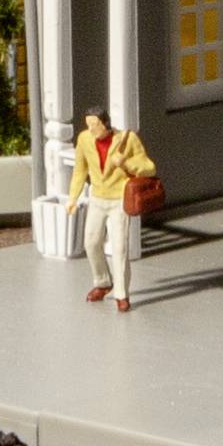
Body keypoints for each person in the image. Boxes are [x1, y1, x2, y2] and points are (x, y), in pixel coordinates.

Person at [73, 106, 157, 312]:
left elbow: (149, 167)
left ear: (105, 123)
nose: (91, 129)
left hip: (118, 200)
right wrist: (72, 198)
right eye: (88, 125)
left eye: (95, 125)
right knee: (91, 242)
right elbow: (79, 171)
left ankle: (122, 294)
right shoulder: (84, 140)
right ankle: (102, 282)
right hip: (97, 198)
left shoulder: (127, 139)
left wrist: (126, 163)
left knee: (119, 248)